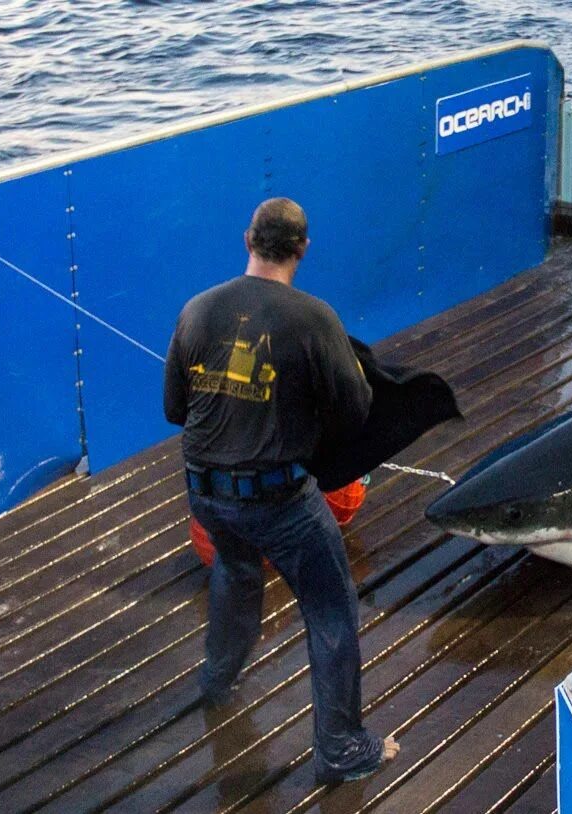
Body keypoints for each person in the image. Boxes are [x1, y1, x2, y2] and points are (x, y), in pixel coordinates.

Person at [163, 197, 399, 784]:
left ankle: (217, 682)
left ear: (247, 239)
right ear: (302, 249)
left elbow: (174, 410)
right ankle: (341, 748)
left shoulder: (196, 309)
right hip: (278, 504)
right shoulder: (314, 316)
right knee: (331, 610)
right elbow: (354, 412)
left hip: (205, 496)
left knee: (237, 573)